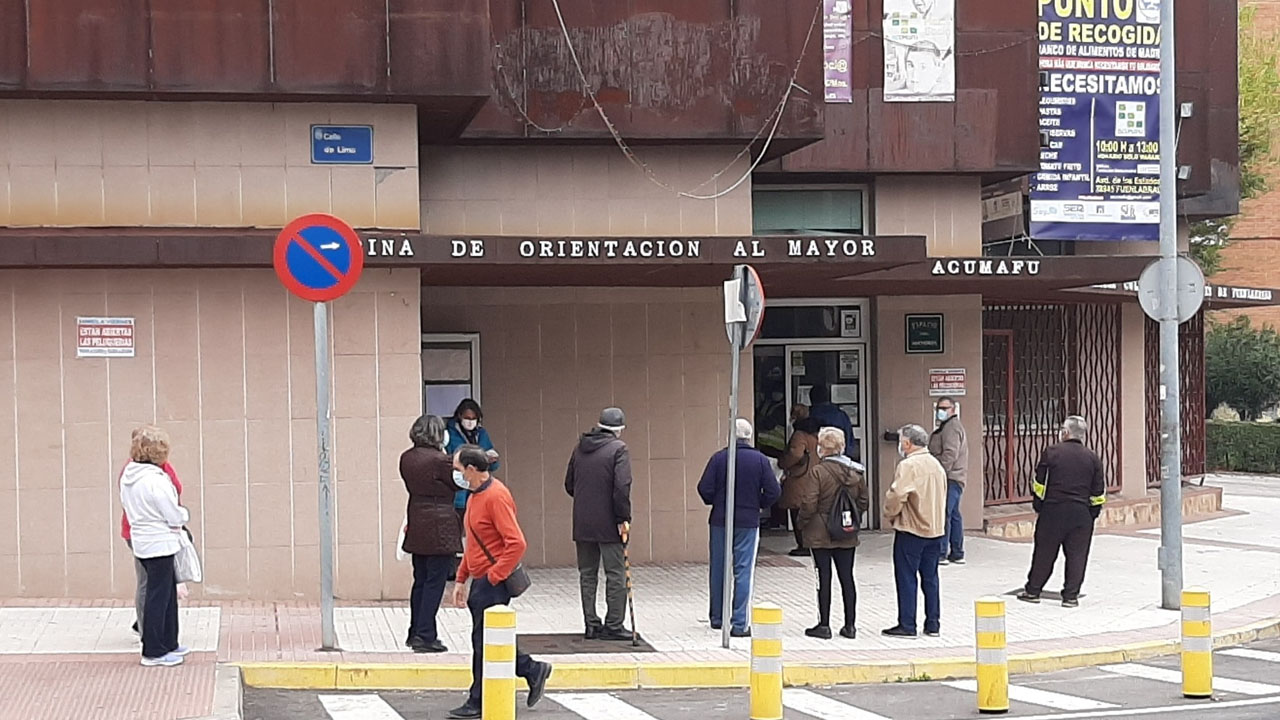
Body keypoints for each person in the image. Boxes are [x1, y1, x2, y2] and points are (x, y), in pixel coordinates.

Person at [448, 445, 552, 719]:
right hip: (480, 580)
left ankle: (478, 699)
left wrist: (494, 576)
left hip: (491, 582)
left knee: (484, 642)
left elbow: (516, 543)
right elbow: (473, 544)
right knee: (487, 639)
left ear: (472, 470)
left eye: (458, 469)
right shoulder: (474, 496)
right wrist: (461, 578)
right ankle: (532, 670)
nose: (455, 474)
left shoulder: (496, 496)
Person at [697, 419, 782, 637]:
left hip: (720, 520)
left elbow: (704, 488)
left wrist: (717, 501)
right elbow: (774, 491)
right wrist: (758, 504)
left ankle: (717, 618)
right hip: (748, 521)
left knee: (719, 568)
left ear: (730, 436)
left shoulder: (719, 458)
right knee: (743, 570)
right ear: (749, 437)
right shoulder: (760, 460)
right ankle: (739, 622)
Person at [1018, 416, 1107, 609]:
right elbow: (1098, 491)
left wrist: (1039, 506)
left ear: (1065, 433)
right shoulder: (1092, 458)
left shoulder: (1052, 452)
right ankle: (1070, 597)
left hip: (1053, 511)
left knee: (1044, 553)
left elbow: (1039, 484)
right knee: (1077, 556)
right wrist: (1092, 513)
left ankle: (1033, 591)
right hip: (1081, 514)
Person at [119, 426, 190, 667]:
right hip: (160, 541)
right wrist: (184, 515)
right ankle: (154, 650)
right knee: (159, 595)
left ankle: (168, 642)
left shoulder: (130, 476)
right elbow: (172, 514)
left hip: (143, 539)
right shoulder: (155, 480)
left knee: (162, 592)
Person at [564, 407, 634, 641]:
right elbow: (622, 487)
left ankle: (591, 624)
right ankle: (614, 624)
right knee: (616, 573)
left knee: (587, 574)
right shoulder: (619, 449)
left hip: (582, 522)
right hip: (609, 523)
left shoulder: (579, 448)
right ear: (619, 429)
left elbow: (569, 484)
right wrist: (622, 518)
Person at [797, 427, 869, 640]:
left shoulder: (818, 472)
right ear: (842, 446)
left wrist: (802, 523)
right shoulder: (856, 472)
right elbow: (864, 501)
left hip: (819, 532)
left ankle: (824, 624)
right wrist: (853, 518)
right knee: (847, 577)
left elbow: (809, 502)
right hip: (846, 532)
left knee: (823, 577)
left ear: (821, 448)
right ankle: (850, 625)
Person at [400, 415, 463, 653]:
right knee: (435, 583)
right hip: (440, 524)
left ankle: (415, 630)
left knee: (421, 580)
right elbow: (458, 483)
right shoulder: (441, 460)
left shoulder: (407, 458)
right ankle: (426, 635)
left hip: (417, 519)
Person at [882, 424, 947, 639]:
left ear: (908, 443)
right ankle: (933, 624)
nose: (900, 445)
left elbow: (897, 494)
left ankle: (907, 624)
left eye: (901, 441)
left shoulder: (908, 465)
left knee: (907, 577)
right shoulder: (936, 464)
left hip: (912, 529)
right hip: (935, 530)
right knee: (931, 578)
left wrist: (890, 514)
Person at [928, 397, 969, 565]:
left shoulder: (951, 428)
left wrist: (938, 472)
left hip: (950, 477)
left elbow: (950, 455)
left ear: (953, 409)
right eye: (939, 408)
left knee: (944, 513)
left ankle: (941, 553)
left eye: (945, 408)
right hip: (954, 477)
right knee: (954, 515)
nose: (941, 411)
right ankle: (957, 552)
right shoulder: (947, 427)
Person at [445, 399, 501, 519]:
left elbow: (493, 464)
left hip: (478, 489)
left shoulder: (481, 434)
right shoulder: (449, 434)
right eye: (467, 418)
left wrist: (492, 461)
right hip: (458, 493)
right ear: (460, 416)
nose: (470, 422)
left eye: (473, 418)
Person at [777, 416, 820, 557]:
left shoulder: (799, 436)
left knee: (797, 513)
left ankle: (803, 545)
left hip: (799, 479)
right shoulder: (818, 437)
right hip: (814, 477)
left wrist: (782, 463)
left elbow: (795, 454)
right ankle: (812, 544)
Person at [808, 384, 858, 461]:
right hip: (839, 459)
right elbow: (850, 442)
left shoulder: (810, 415)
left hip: (816, 460)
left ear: (811, 399)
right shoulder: (841, 415)